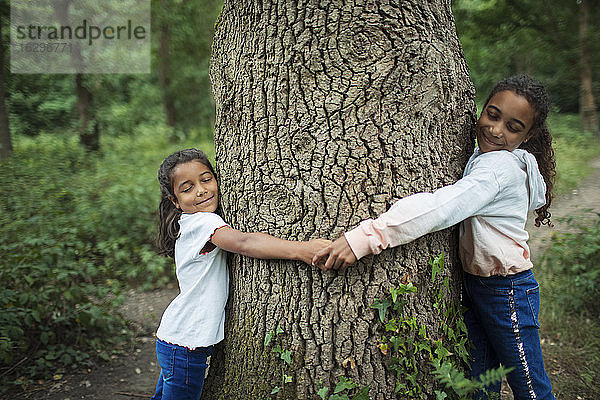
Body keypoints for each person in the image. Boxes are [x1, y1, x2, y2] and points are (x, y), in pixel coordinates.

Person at [313, 74, 556, 400]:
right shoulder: (498, 160)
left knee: (529, 385)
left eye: (513, 127)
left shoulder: (499, 168)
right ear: (482, 109)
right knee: (478, 380)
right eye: (493, 115)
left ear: (528, 135)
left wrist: (367, 237)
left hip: (507, 290)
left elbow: (441, 207)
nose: (496, 130)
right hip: (480, 287)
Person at [153, 148, 330, 400]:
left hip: (175, 340)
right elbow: (245, 242)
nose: (201, 190)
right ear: (175, 201)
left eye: (206, 179)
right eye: (187, 188)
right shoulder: (203, 223)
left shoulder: (190, 222)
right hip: (185, 346)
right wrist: (302, 250)